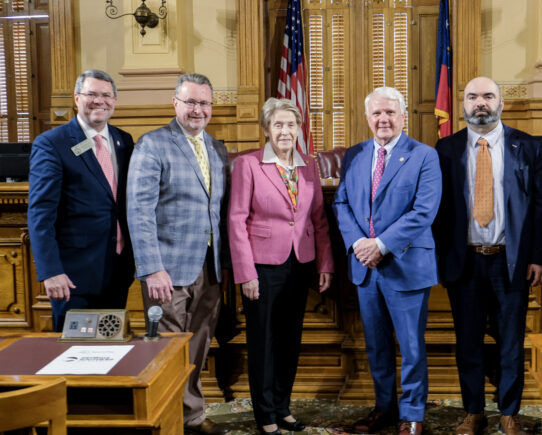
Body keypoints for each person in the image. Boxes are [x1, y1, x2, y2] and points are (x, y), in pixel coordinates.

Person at [434, 76, 542, 435]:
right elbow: (438, 210)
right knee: (467, 341)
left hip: (509, 261)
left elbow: (541, 206)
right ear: (463, 105)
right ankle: (473, 411)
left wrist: (538, 256)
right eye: (472, 97)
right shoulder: (445, 148)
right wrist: (439, 260)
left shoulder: (526, 146)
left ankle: (509, 412)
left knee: (511, 341)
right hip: (464, 261)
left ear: (501, 103)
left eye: (487, 96)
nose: (479, 102)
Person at [127, 73, 231, 435]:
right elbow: (138, 211)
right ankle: (168, 420)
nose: (198, 109)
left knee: (199, 342)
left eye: (204, 103)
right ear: (175, 104)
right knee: (167, 348)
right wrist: (152, 268)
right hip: (167, 269)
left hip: (211, 266)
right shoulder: (152, 144)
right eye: (191, 102)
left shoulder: (218, 149)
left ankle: (191, 416)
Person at [333, 86, 441, 435]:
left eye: (390, 113)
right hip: (365, 268)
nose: (383, 119)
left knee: (410, 347)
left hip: (405, 264)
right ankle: (384, 409)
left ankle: (413, 416)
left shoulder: (424, 155)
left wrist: (380, 244)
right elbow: (342, 204)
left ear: (403, 116)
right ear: (367, 118)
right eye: (377, 113)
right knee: (376, 345)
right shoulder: (355, 155)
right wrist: (359, 244)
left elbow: (424, 211)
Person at [227, 98, 334, 435]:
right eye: (278, 125)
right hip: (262, 267)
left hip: (299, 263)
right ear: (267, 130)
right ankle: (265, 415)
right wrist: (246, 273)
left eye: (290, 125)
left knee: (290, 340)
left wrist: (325, 263)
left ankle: (283, 408)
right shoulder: (249, 165)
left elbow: (318, 220)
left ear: (299, 128)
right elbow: (236, 220)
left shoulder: (308, 166)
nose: (285, 131)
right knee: (264, 341)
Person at [28, 69, 135, 332]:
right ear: (77, 98)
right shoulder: (53, 143)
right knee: (75, 357)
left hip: (116, 272)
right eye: (92, 94)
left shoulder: (124, 141)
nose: (100, 101)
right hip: (72, 277)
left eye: (106, 95)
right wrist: (50, 271)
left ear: (115, 101)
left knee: (110, 353)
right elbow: (40, 213)